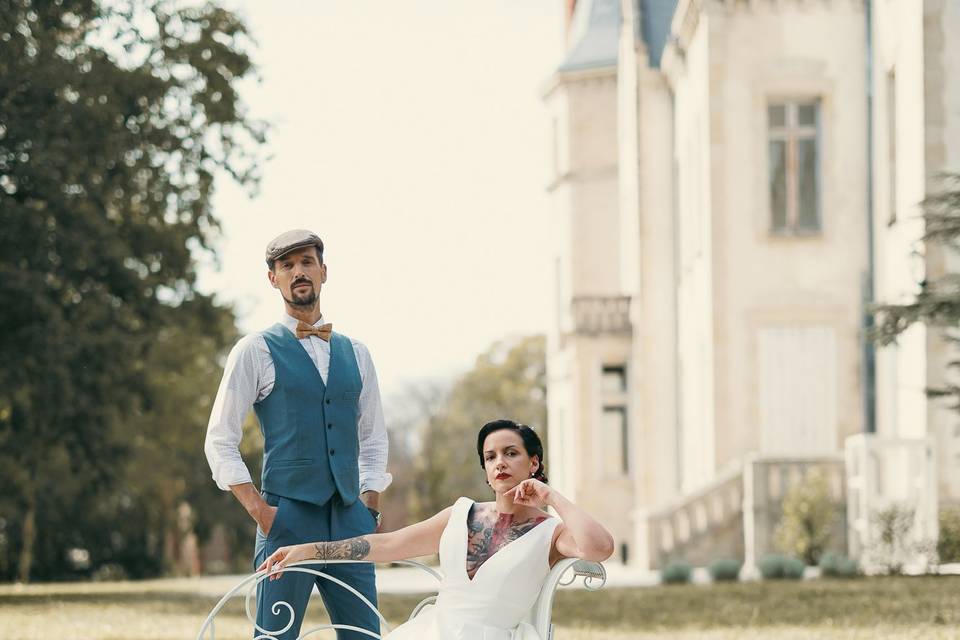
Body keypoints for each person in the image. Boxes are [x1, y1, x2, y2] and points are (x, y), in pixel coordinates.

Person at [258, 419, 614, 640]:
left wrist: (551, 496)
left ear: (533, 462)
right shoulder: (460, 514)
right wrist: (307, 550)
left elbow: (600, 548)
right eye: (490, 457)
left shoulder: (550, 532)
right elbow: (387, 545)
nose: (500, 463)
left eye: (511, 453)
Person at [204, 229, 391, 640]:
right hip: (286, 518)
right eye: (286, 265)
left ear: (323, 272)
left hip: (350, 520)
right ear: (273, 279)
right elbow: (219, 439)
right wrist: (261, 512)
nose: (298, 272)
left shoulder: (357, 353)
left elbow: (374, 437)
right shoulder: (255, 350)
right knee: (275, 636)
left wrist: (369, 505)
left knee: (364, 635)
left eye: (307, 262)